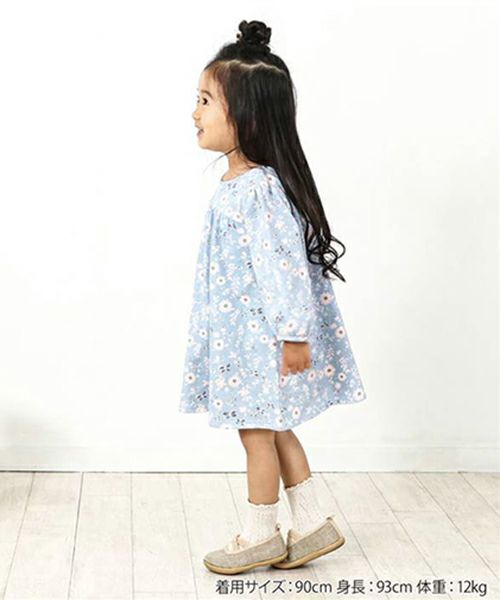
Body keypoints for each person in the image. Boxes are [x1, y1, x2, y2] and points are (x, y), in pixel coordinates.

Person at [179, 19, 367, 575]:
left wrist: (293, 335)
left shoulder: (257, 191)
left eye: (206, 101)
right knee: (276, 426)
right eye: (197, 99)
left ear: (249, 118)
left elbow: (283, 269)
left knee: (257, 433)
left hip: (259, 343)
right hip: (246, 341)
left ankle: (260, 534)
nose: (194, 112)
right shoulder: (239, 186)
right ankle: (310, 524)